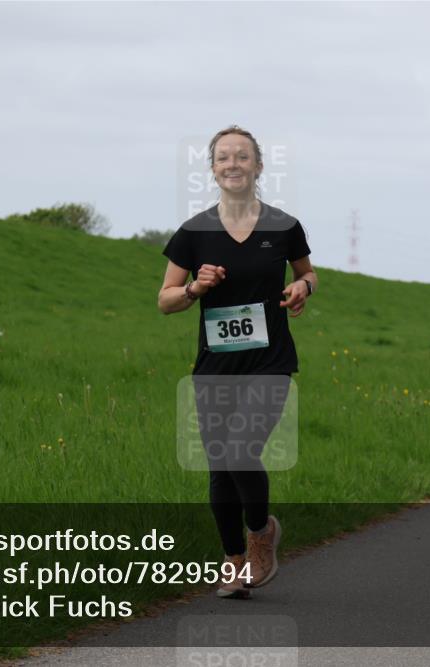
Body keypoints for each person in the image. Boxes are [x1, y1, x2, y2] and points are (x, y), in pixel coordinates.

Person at [158, 125, 316, 599]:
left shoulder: (284, 227)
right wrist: (195, 288)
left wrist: (302, 287)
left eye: (242, 157)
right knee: (219, 467)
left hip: (269, 362)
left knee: (240, 450)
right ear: (212, 169)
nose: (232, 164)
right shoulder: (193, 233)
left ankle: (260, 534)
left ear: (258, 166)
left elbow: (308, 273)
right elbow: (165, 300)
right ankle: (232, 562)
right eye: (223, 157)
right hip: (214, 368)